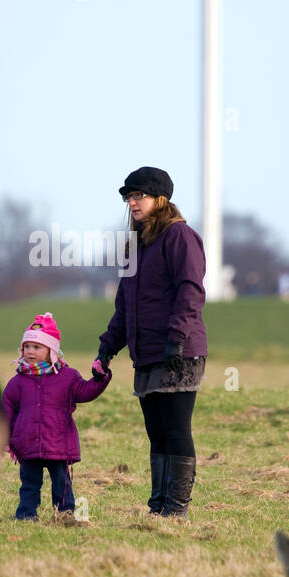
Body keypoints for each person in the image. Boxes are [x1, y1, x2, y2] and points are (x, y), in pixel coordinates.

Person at [95, 166, 208, 518]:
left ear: (160, 199)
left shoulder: (180, 237)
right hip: (145, 354)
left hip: (178, 352)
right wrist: (107, 348)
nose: (132, 203)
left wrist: (176, 338)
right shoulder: (134, 246)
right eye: (128, 198)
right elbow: (124, 306)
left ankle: (176, 509)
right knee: (156, 433)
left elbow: (190, 291)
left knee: (175, 430)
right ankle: (158, 507)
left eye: (138, 196)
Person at [2, 312, 111, 520]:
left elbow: (85, 392)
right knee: (29, 482)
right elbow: (6, 410)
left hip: (58, 442)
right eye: (27, 347)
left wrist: (101, 377)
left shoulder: (68, 377)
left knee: (61, 481)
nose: (30, 352)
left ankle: (66, 512)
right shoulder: (17, 382)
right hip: (27, 442)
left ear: (51, 351)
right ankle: (26, 513)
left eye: (37, 347)